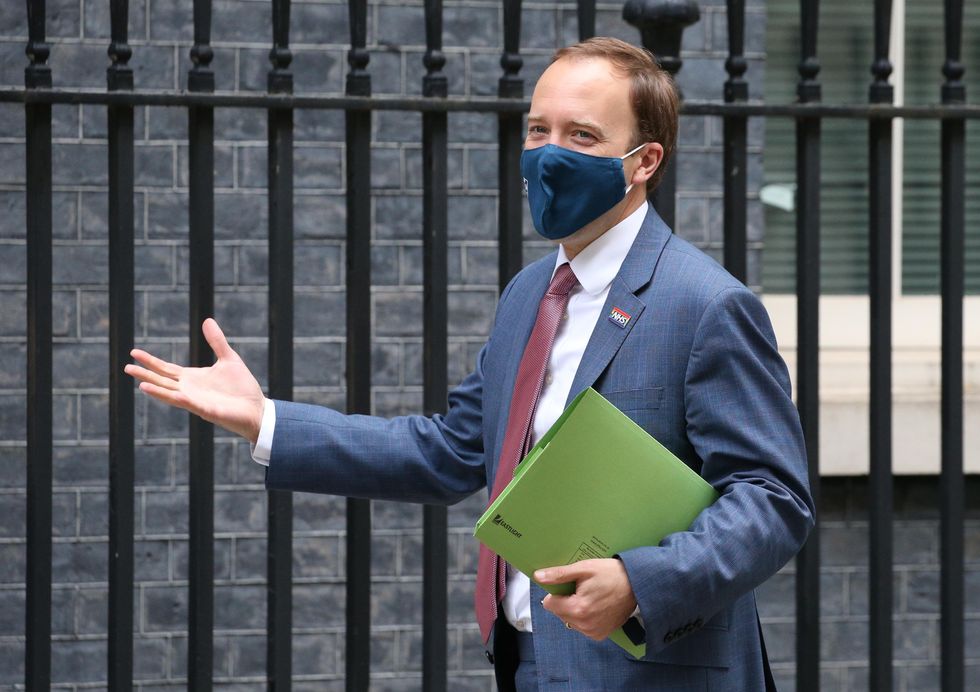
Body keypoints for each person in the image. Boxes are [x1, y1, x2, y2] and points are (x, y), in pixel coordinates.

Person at [126, 37, 813, 692]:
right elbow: (451, 451)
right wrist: (264, 420)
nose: (548, 155)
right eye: (538, 130)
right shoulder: (530, 296)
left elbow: (774, 500)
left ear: (645, 161)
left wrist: (641, 580)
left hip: (651, 673)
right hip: (527, 663)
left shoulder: (707, 304)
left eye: (581, 136)